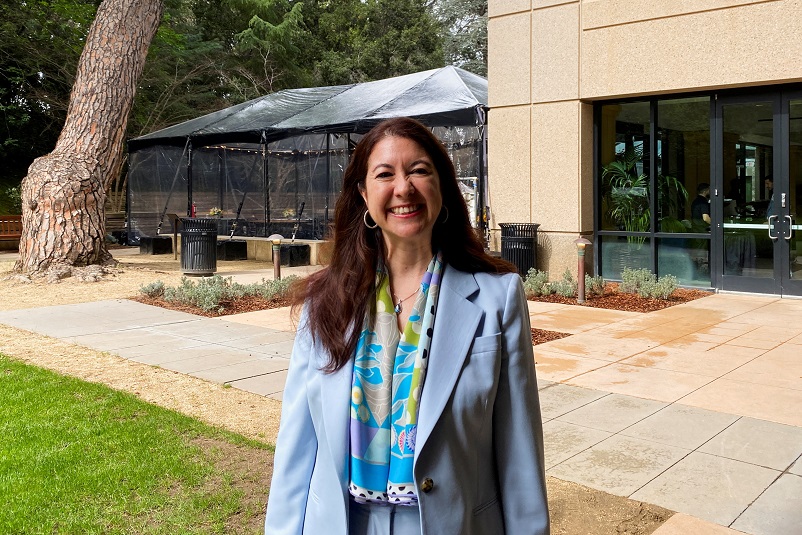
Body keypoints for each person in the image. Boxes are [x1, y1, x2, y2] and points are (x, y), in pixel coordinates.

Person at [264, 117, 549, 535]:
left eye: (419, 170)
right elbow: (297, 445)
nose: (403, 188)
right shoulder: (324, 301)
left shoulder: (497, 298)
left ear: (442, 187)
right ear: (363, 194)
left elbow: (518, 447)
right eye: (384, 174)